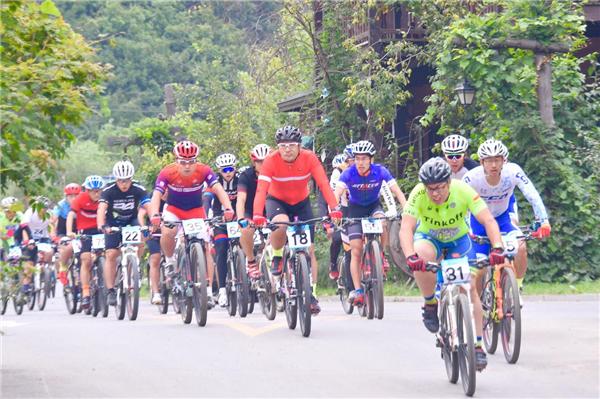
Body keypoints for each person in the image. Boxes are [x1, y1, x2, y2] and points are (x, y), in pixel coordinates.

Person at [399, 157, 505, 371]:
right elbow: (406, 228)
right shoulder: (418, 194)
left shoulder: (463, 190)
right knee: (420, 255)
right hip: (430, 238)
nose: (435, 193)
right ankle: (430, 303)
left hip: (460, 240)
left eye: (439, 188)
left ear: (448, 183)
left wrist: (498, 247)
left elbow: (488, 220)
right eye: (430, 189)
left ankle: (476, 345)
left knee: (470, 289)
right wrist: (410, 256)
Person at [252, 125, 342, 315]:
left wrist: (334, 208)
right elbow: (261, 190)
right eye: (283, 146)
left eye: (292, 145)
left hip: (301, 202)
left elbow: (324, 184)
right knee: (281, 224)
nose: (288, 149)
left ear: (299, 146)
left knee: (308, 250)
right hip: (277, 201)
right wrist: (257, 215)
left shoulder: (309, 158)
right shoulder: (270, 160)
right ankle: (277, 255)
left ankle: (312, 294)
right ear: (278, 147)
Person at [149, 140, 234, 308]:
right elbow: (156, 195)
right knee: (167, 232)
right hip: (174, 209)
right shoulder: (167, 172)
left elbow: (218, 189)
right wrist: (154, 215)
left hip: (195, 210)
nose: (187, 166)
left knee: (205, 246)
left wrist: (228, 208)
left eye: (191, 162)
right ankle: (170, 260)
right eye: (183, 162)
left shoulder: (204, 170)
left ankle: (208, 289)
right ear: (176, 160)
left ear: (196, 160)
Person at [463, 139, 551, 296]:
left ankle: (516, 287)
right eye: (489, 161)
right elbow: (459, 203)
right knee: (479, 269)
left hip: (503, 219)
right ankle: (477, 304)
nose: (494, 165)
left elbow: (532, 194)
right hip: (479, 223)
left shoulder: (513, 172)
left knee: (521, 248)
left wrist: (543, 221)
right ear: (482, 162)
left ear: (504, 160)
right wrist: (463, 227)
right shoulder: (472, 177)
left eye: (497, 160)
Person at [333, 140, 407, 305]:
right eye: (357, 159)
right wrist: (333, 211)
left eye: (364, 159)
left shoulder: (380, 171)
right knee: (356, 250)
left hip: (374, 206)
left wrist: (407, 209)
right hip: (355, 210)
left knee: (383, 222)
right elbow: (336, 194)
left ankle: (382, 254)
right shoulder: (348, 173)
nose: (360, 162)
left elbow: (397, 192)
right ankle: (358, 290)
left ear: (371, 160)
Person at [97, 160, 152, 306]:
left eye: (127, 180)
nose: (124, 184)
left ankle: (135, 264)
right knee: (111, 254)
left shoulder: (138, 189)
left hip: (131, 220)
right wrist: (101, 225)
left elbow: (149, 206)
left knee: (141, 238)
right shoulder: (108, 191)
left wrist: (154, 220)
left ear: (131, 178)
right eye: (121, 181)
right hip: (112, 223)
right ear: (116, 179)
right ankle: (110, 290)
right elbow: (101, 209)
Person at [203, 153, 239, 307]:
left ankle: (246, 279)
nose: (228, 172)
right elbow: (206, 200)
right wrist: (206, 218)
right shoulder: (214, 183)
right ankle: (222, 290)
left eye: (231, 169)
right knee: (222, 248)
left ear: (235, 168)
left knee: (245, 244)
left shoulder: (240, 180)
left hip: (238, 217)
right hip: (219, 219)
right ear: (219, 171)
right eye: (224, 170)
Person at [67, 175, 105, 309]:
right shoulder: (80, 198)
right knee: (86, 259)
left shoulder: (104, 199)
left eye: (99, 190)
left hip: (100, 230)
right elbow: (71, 215)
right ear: (87, 190)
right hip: (85, 231)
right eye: (93, 191)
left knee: (107, 255)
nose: (96, 193)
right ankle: (85, 292)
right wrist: (69, 231)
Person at [236, 144, 270, 279]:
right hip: (250, 210)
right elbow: (241, 199)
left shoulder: (275, 173)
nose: (262, 164)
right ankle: (251, 261)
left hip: (270, 209)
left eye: (265, 161)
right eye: (259, 162)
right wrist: (240, 219)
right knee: (246, 230)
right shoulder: (245, 175)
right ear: (253, 162)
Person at [325, 153, 349, 280]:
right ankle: (333, 264)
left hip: (348, 208)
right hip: (334, 210)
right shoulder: (334, 178)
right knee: (337, 238)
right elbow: (326, 205)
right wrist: (328, 225)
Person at [51, 184, 81, 285]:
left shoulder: (82, 203)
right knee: (64, 246)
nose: (73, 198)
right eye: (70, 196)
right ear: (66, 196)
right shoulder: (60, 205)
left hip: (78, 229)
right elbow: (53, 221)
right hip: (63, 231)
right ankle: (63, 267)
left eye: (76, 196)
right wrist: (53, 235)